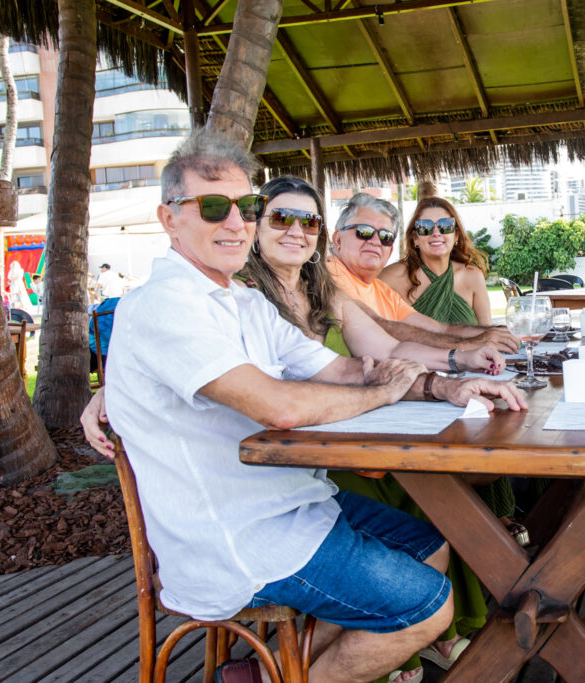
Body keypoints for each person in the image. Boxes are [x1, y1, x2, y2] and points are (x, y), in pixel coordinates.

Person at [91, 130, 527, 683]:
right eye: (212, 207)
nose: (235, 222)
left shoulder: (243, 301)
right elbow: (280, 406)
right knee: (427, 607)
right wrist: (384, 390)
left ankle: (276, 675)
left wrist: (445, 387)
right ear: (169, 217)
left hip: (294, 499)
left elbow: (343, 367)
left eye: (246, 207)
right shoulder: (164, 306)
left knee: (433, 543)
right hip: (234, 533)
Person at [326, 193, 518, 353]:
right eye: (364, 231)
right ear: (415, 238)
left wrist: (490, 336)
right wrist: (465, 348)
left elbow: (443, 329)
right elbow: (382, 330)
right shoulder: (329, 275)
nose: (376, 241)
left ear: (456, 235)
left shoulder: (380, 291)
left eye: (385, 237)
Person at [379, 196, 492, 326]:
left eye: (445, 225)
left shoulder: (472, 276)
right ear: (415, 238)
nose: (436, 232)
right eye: (425, 227)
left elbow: (487, 336)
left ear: (456, 236)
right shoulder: (392, 278)